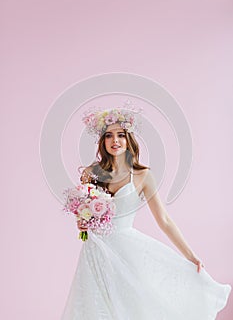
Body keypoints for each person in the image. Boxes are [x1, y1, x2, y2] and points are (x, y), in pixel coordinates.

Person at [61, 104, 231, 320]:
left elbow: (165, 221)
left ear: (129, 139)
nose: (115, 141)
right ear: (102, 141)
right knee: (94, 309)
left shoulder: (142, 175)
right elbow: (84, 214)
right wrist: (82, 222)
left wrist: (191, 256)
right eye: (109, 136)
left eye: (120, 135)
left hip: (126, 253)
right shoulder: (91, 173)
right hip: (95, 251)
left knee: (132, 308)